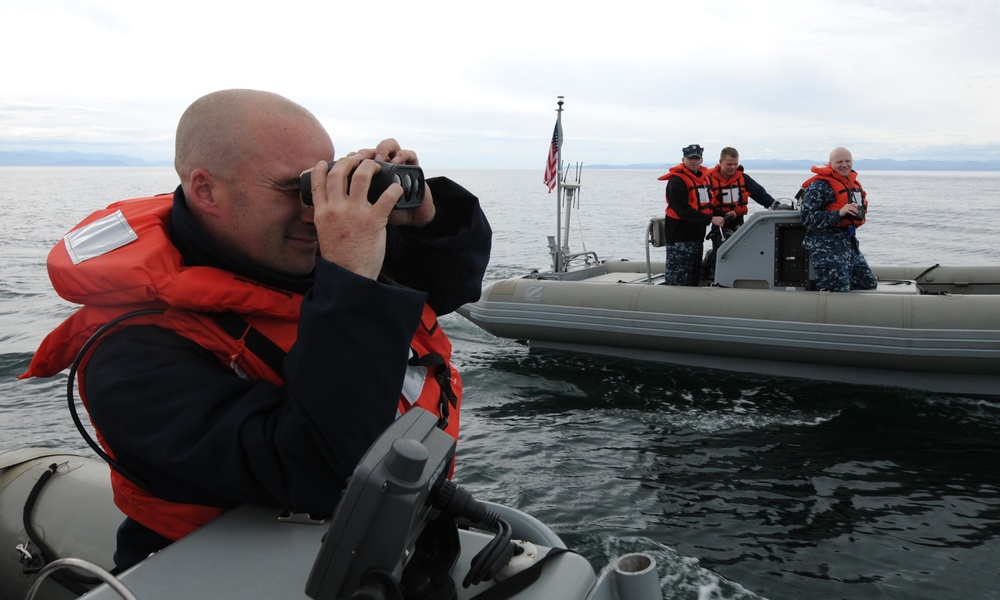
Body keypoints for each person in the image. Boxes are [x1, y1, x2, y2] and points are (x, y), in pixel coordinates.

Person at [19, 89, 492, 570]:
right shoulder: (127, 351)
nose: (316, 210)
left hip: (393, 543)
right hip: (217, 570)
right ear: (206, 191)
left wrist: (424, 221)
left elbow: (453, 286)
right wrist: (350, 281)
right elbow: (322, 472)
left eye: (322, 184)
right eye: (295, 190)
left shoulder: (303, 251)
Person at [798, 146, 877, 292]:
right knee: (838, 290)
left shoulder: (851, 184)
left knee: (868, 282)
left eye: (848, 161)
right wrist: (838, 213)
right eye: (839, 161)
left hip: (848, 243)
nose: (844, 165)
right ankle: (818, 293)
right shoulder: (820, 185)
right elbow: (807, 217)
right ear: (830, 164)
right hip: (827, 247)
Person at [702, 147, 778, 275]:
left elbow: (760, 194)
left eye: (735, 164)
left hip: (737, 221)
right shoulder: (709, 179)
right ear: (721, 162)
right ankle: (711, 265)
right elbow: (705, 204)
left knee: (740, 251)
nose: (732, 167)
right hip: (719, 222)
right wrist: (721, 215)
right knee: (720, 251)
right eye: (729, 164)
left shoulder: (743, 178)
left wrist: (776, 206)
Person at [658, 144, 725, 286]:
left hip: (697, 238)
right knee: (679, 279)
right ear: (683, 159)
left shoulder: (704, 180)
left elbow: (707, 205)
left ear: (701, 160)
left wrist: (722, 214)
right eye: (690, 158)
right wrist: (711, 219)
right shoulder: (676, 182)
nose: (693, 161)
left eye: (696, 158)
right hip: (680, 238)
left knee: (694, 277)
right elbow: (684, 211)